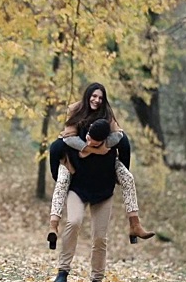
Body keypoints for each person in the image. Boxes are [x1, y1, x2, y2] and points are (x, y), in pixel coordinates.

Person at [46, 83, 154, 250]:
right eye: (94, 96)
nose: (96, 100)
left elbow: (119, 136)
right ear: (88, 95)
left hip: (106, 157)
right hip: (72, 154)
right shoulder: (75, 109)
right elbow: (68, 139)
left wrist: (103, 147)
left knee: (128, 177)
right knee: (62, 181)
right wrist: (90, 149)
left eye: (100, 98)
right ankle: (53, 224)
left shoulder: (107, 113)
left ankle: (135, 224)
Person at [52, 118, 119, 282]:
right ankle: (63, 271)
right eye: (88, 136)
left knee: (99, 237)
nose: (88, 141)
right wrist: (56, 176)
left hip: (103, 193)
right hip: (78, 190)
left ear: (104, 141)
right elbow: (55, 148)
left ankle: (96, 279)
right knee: (73, 222)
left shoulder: (110, 148)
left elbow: (125, 148)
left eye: (93, 141)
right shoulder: (77, 140)